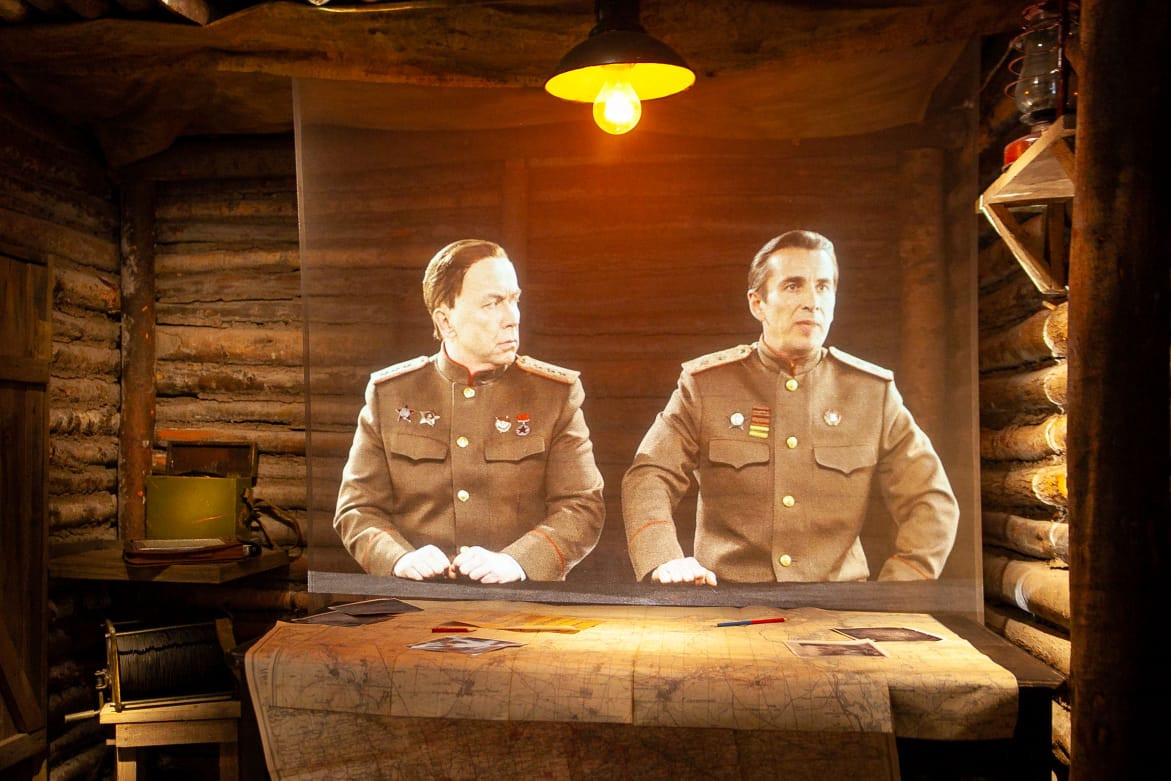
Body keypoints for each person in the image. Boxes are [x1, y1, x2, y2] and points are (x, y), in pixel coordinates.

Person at [622, 230, 958, 585]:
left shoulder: (871, 393)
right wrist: (664, 559)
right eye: (793, 286)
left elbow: (931, 500)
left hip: (840, 603)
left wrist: (898, 589)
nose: (812, 301)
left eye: (823, 287)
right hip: (726, 598)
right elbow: (649, 475)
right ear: (757, 304)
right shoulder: (706, 385)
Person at [334, 239, 605, 583]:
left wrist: (518, 562)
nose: (512, 318)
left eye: (514, 300)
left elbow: (582, 507)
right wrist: (399, 558)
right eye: (492, 304)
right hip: (416, 597)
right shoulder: (390, 394)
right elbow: (357, 508)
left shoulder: (553, 395)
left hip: (520, 600)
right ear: (446, 321)